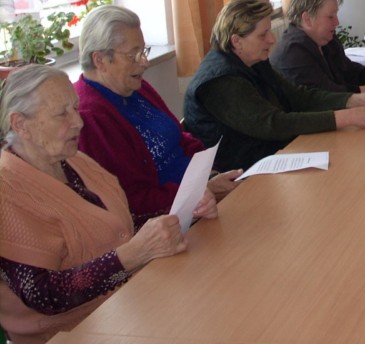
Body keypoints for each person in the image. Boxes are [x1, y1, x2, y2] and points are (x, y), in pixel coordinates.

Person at [0, 65, 216, 344]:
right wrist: (131, 255)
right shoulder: (8, 191)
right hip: (72, 331)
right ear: (20, 124)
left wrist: (185, 209)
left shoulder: (74, 160)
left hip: (129, 302)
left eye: (75, 108)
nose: (78, 122)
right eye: (62, 114)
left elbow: (121, 224)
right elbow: (43, 295)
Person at [75, 5, 240, 229]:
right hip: (167, 222)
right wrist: (197, 193)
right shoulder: (90, 117)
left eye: (144, 51)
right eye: (134, 55)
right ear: (100, 60)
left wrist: (209, 177)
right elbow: (131, 201)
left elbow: (181, 138)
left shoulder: (136, 88)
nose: (144, 62)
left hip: (199, 199)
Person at [184, 0, 365, 172]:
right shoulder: (220, 82)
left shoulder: (252, 60)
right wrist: (347, 117)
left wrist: (352, 100)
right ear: (237, 41)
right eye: (263, 35)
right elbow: (272, 124)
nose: (272, 40)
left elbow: (297, 96)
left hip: (274, 153)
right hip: (243, 174)